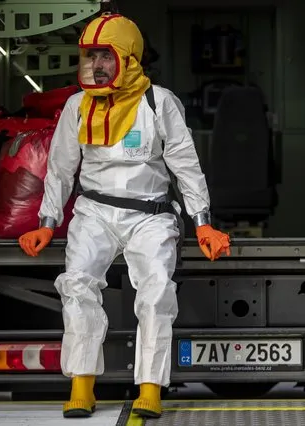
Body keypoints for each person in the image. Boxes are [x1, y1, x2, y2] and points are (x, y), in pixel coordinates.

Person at [17, 13, 231, 419]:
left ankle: (149, 388)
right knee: (77, 286)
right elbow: (61, 170)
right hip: (94, 211)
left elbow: (185, 165)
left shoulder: (159, 102)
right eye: (90, 56)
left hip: (150, 215)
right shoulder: (77, 106)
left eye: (105, 56)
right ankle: (82, 385)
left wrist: (201, 221)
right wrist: (47, 224)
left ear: (128, 59)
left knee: (155, 292)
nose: (95, 65)